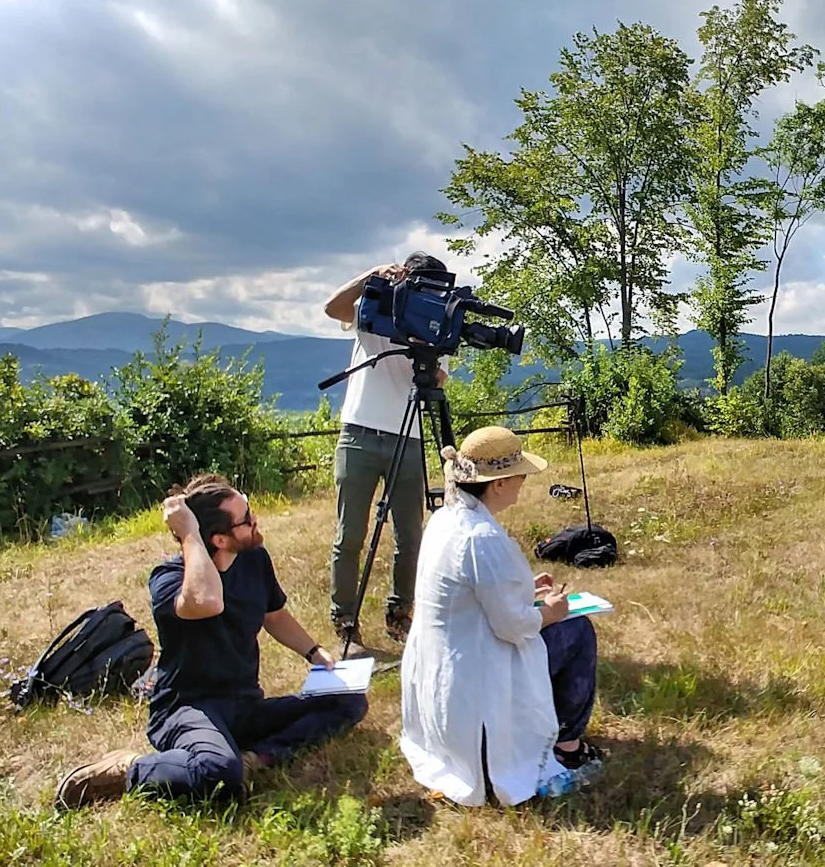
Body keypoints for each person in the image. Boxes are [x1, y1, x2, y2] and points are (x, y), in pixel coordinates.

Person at [54, 475, 368, 808]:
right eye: (246, 519)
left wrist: (315, 652)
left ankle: (257, 758)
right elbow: (207, 601)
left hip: (244, 704)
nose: (255, 521)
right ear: (218, 539)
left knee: (348, 702)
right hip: (186, 709)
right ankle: (128, 768)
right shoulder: (169, 580)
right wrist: (189, 533)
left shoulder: (254, 559)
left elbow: (273, 615)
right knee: (218, 776)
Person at [399, 426, 603, 806]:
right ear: (498, 484)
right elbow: (513, 626)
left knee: (566, 624)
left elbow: (473, 597)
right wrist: (552, 611)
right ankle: (566, 746)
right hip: (474, 692)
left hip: (441, 685)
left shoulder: (445, 520)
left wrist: (526, 589)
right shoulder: (480, 537)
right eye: (520, 476)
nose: (524, 483)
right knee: (577, 629)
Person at [322, 252, 451, 655]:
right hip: (359, 432)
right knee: (351, 534)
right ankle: (344, 617)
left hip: (407, 436)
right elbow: (333, 308)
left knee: (410, 534)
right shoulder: (376, 305)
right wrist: (371, 275)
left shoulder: (437, 323)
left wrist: (423, 348)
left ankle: (400, 611)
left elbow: (439, 378)